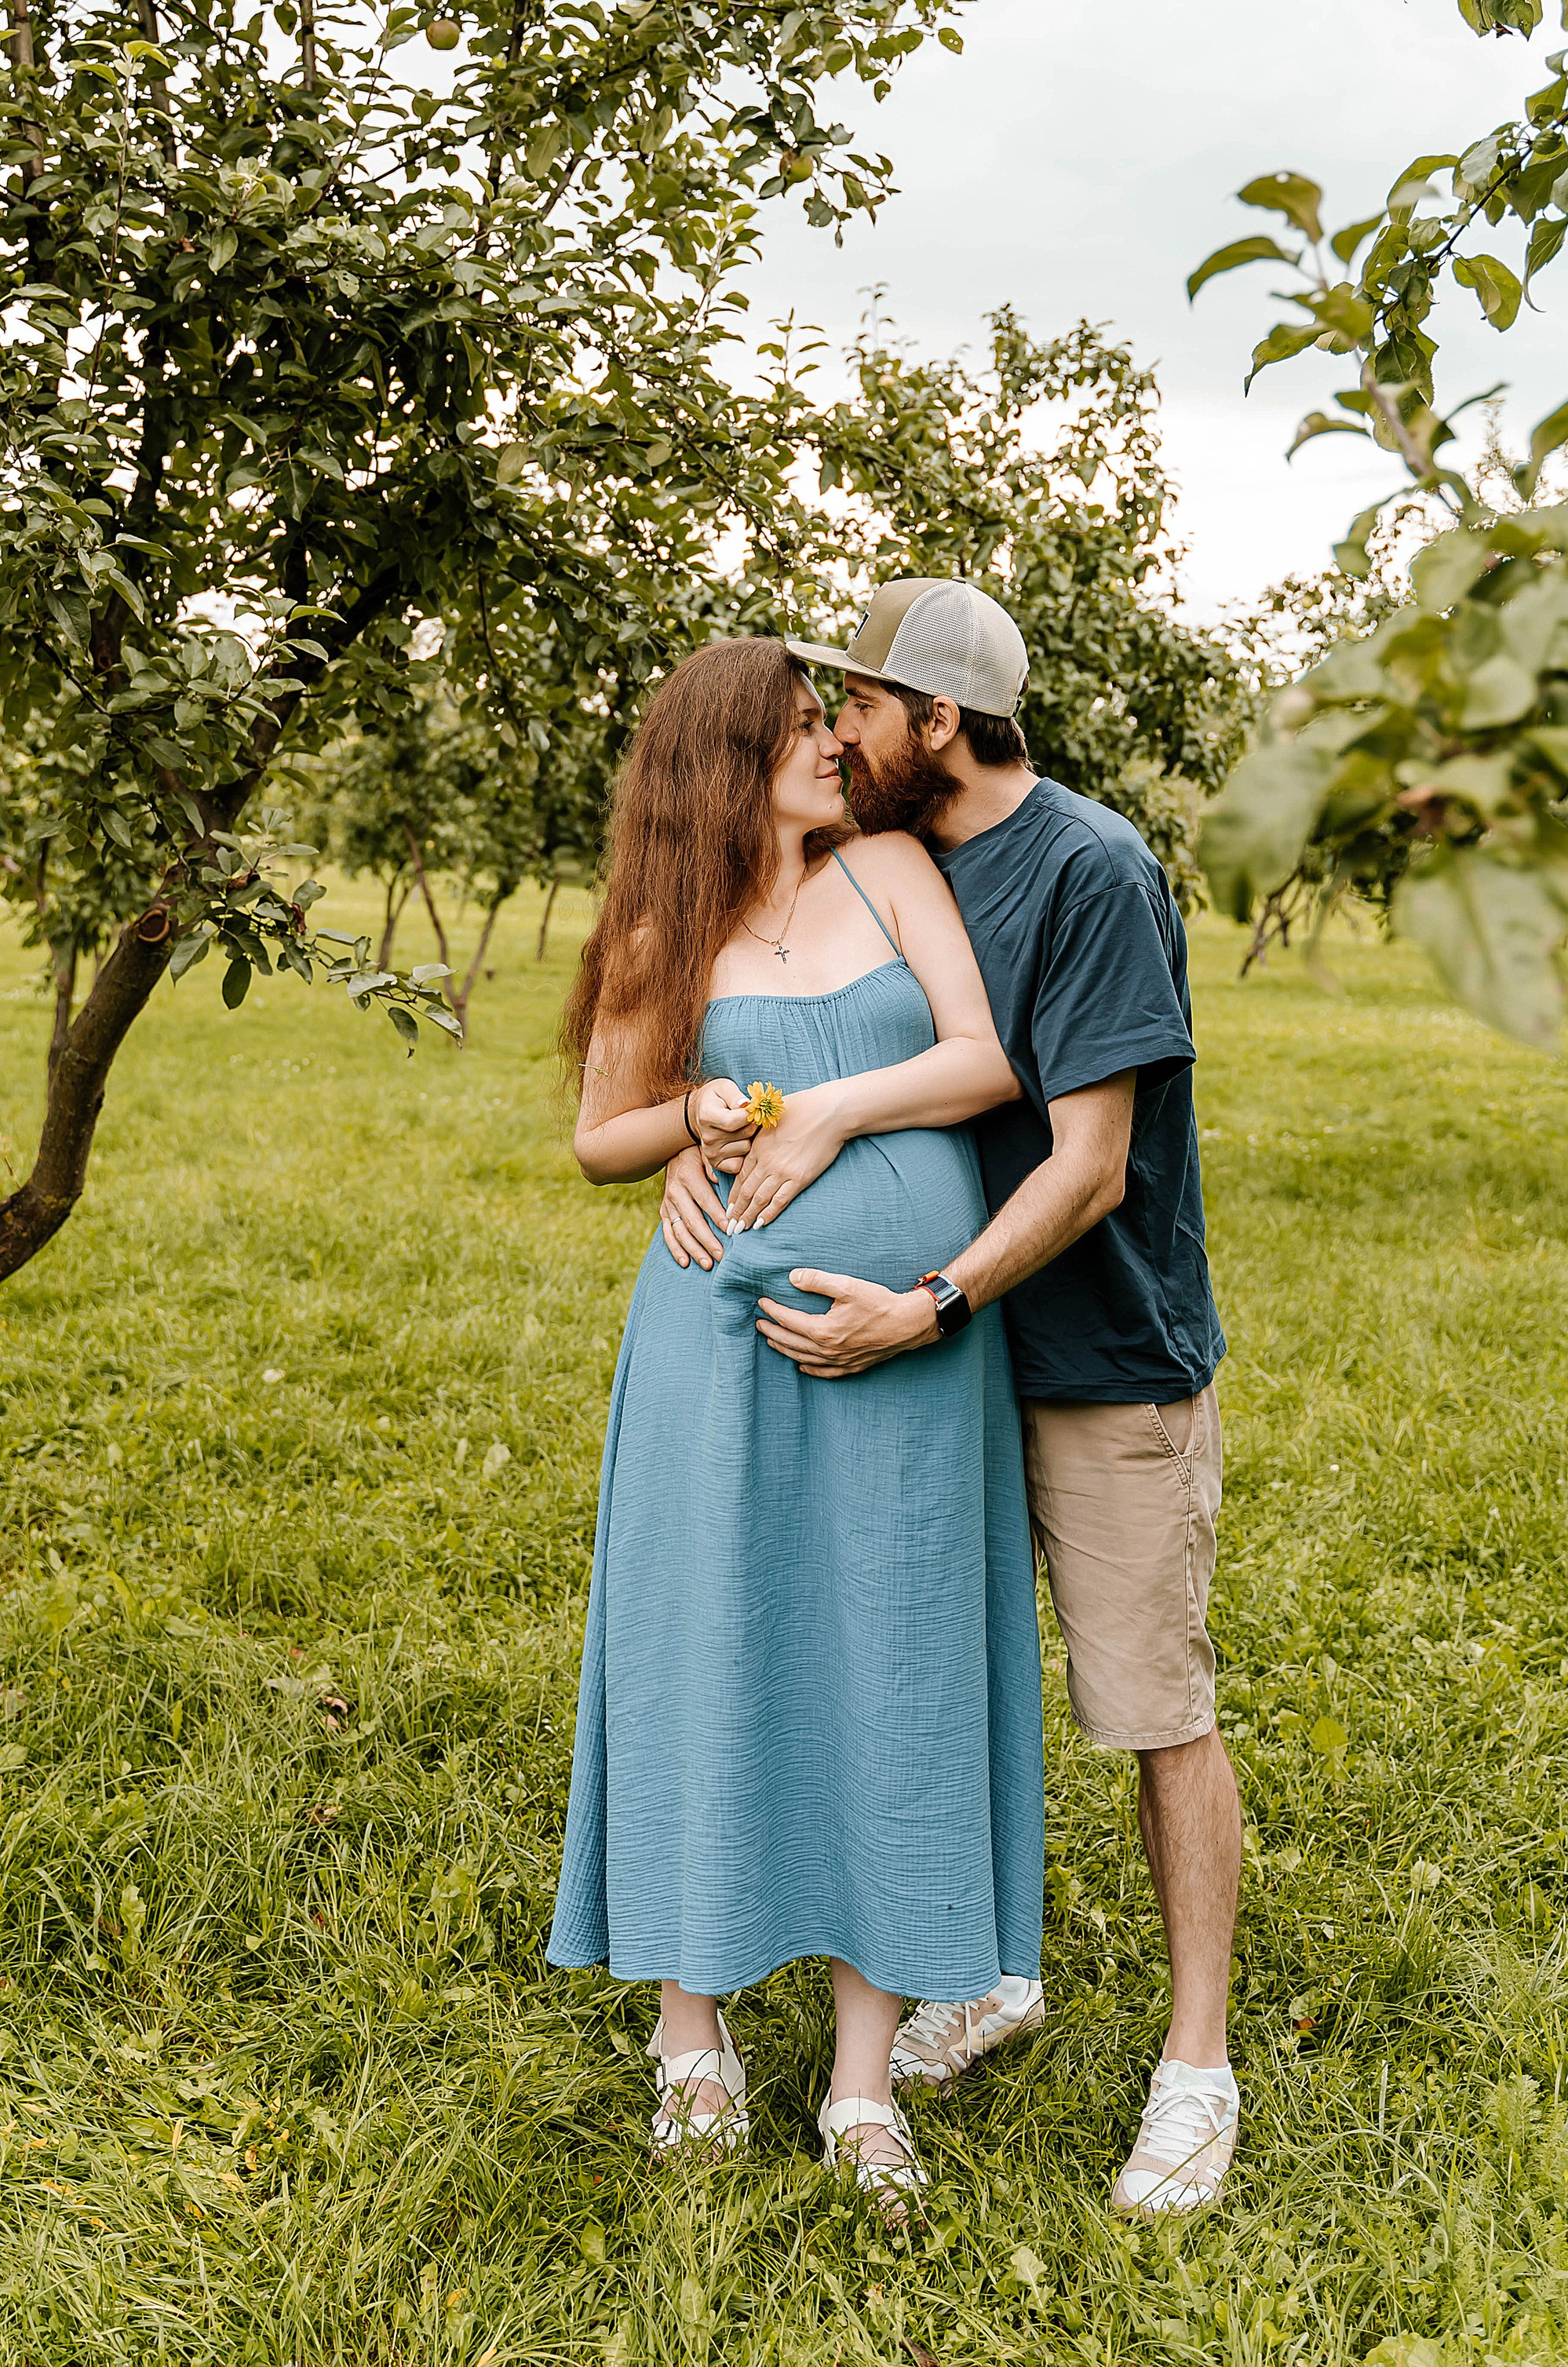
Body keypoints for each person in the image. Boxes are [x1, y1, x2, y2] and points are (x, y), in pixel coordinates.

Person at [657, 578, 1242, 2219]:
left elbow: (1093, 1161)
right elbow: (777, 1034)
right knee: (926, 1666)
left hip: (1082, 1358)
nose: (832, 730)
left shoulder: (1089, 869)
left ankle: (1195, 2068)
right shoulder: (874, 859)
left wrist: (926, 1299)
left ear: (942, 720)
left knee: (1147, 1703)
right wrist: (711, 1147)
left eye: (856, 705)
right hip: (925, 1375)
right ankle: (977, 1966)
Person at [547, 636, 1043, 2219]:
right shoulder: (660, 920)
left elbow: (978, 1062)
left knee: (887, 1661)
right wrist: (688, 1119)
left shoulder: (893, 869)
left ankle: (859, 2075)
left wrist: (828, 1107)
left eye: (836, 717)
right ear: (725, 751)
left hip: (904, 1358)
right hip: (719, 1345)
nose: (837, 741)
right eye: (804, 723)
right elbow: (597, 1133)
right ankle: (689, 2033)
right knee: (710, 1648)